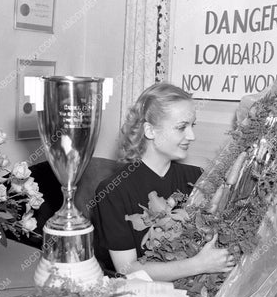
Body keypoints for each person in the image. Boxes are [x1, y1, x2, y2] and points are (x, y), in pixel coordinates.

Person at [91, 82, 235, 281]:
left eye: (192, 125)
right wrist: (199, 265)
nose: (191, 136)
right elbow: (127, 270)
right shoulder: (113, 190)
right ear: (150, 131)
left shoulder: (197, 178)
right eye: (181, 127)